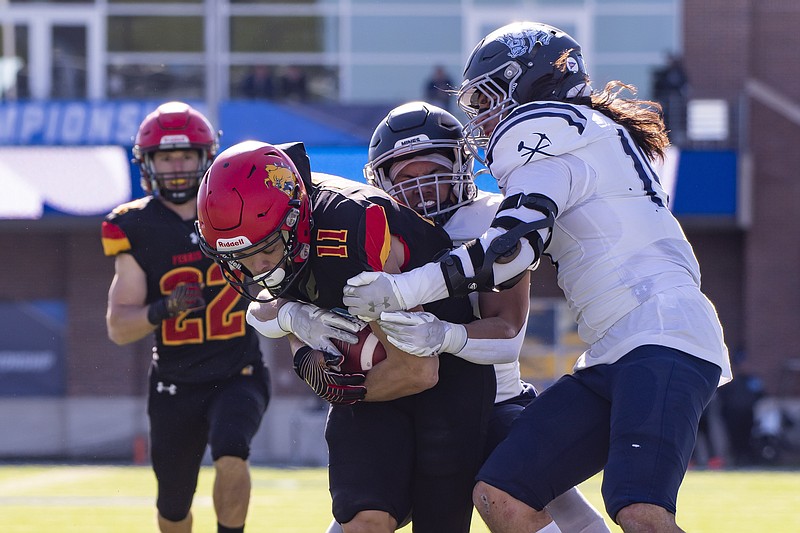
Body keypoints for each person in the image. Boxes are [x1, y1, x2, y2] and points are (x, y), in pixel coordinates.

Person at [342, 22, 732, 533]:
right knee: (502, 494)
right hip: (614, 347)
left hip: (661, 331)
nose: (481, 118)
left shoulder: (553, 128)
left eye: (486, 99)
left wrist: (401, 291)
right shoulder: (585, 132)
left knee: (641, 511)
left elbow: (507, 249)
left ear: (529, 81)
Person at [324, 100, 610, 533]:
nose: (420, 189)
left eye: (431, 173)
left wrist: (442, 335)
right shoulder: (368, 227)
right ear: (381, 182)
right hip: (403, 399)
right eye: (406, 177)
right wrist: (289, 317)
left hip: (493, 399)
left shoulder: (492, 220)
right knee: (366, 510)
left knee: (528, 499)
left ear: (461, 167)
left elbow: (508, 334)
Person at [195, 140, 496, 533]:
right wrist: (293, 317)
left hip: (447, 378)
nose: (258, 267)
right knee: (362, 522)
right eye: (242, 258)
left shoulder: (352, 228)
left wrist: (339, 389)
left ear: (296, 219)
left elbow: (419, 371)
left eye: (267, 248)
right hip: (377, 381)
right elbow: (268, 307)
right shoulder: (272, 218)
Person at [102, 102, 270, 533]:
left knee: (232, 449)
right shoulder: (133, 226)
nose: (176, 166)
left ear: (205, 158)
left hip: (238, 369)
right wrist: (164, 309)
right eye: (165, 156)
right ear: (148, 162)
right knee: (173, 507)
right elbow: (119, 327)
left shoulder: (237, 207)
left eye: (185, 155)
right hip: (174, 380)